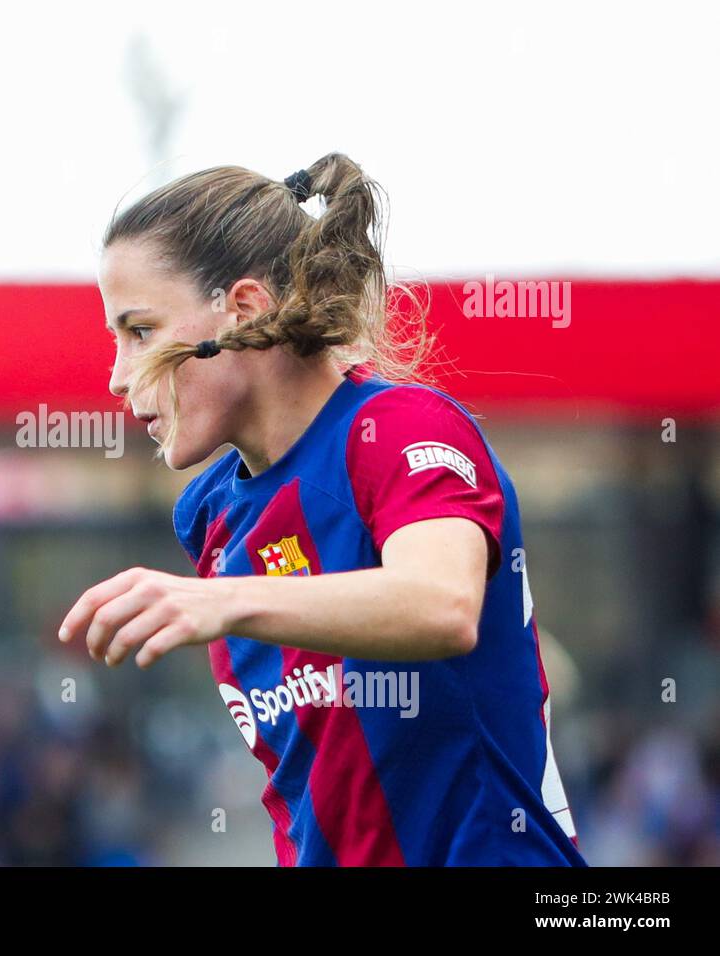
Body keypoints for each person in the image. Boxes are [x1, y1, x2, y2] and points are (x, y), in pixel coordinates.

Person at [59, 154, 586, 866]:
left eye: (141, 331)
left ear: (242, 308)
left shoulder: (400, 428)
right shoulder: (213, 517)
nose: (120, 377)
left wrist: (225, 602)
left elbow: (441, 605)